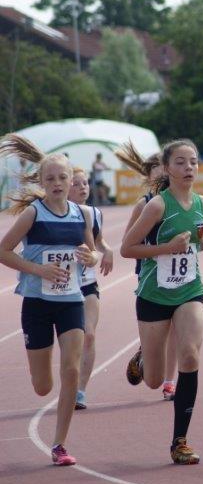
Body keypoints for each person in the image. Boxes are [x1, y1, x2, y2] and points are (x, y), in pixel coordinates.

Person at [120, 139, 203, 464]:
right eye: (180, 162)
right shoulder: (156, 207)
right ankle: (144, 356)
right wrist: (166, 248)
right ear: (167, 168)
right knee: (153, 380)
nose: (188, 168)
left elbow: (192, 247)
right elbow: (127, 249)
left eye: (193, 161)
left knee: (190, 355)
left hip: (190, 289)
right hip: (153, 295)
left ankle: (180, 441)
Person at [0, 135, 100, 466]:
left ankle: (59, 445)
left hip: (71, 299)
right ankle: (44, 383)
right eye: (50, 179)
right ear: (42, 183)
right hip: (37, 304)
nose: (57, 183)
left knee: (71, 370)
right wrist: (38, 269)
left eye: (62, 178)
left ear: (72, 181)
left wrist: (90, 258)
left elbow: (92, 254)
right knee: (43, 386)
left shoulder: (81, 215)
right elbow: (3, 250)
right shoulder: (33, 213)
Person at [115, 144, 179, 401]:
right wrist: (160, 249)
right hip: (150, 276)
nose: (159, 174)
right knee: (161, 331)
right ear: (149, 175)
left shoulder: (181, 201)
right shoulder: (143, 206)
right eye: (154, 170)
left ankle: (169, 382)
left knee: (177, 328)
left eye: (162, 169)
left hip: (178, 276)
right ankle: (147, 354)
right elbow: (128, 243)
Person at [69, 167, 114, 410]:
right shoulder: (54, 213)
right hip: (61, 286)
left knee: (89, 335)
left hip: (87, 282)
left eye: (85, 183)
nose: (82, 187)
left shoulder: (94, 213)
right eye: (76, 184)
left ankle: (80, 391)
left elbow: (97, 240)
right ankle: (69, 381)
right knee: (72, 339)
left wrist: (106, 250)